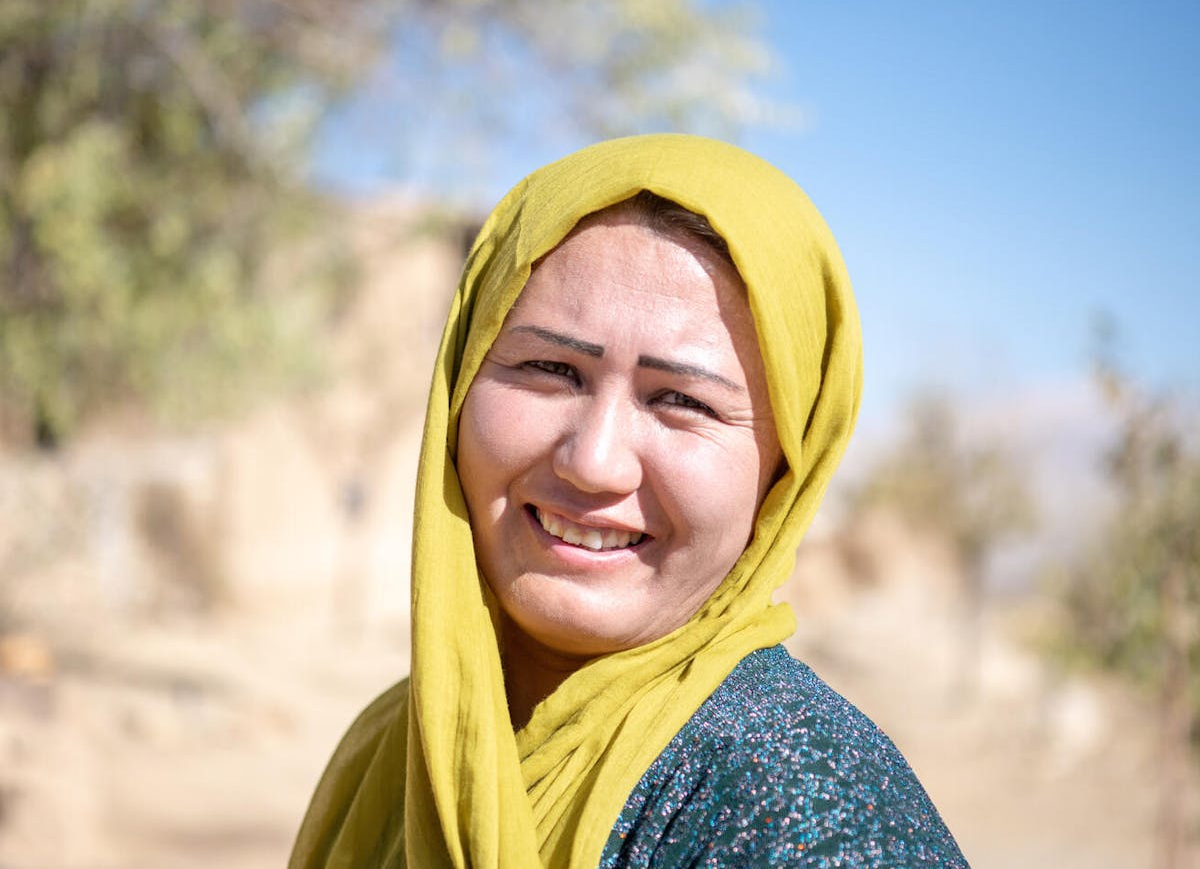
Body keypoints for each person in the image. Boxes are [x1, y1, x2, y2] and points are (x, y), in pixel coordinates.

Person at [290, 134, 967, 867]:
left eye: (682, 400)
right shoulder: (392, 751)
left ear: (785, 470)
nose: (593, 463)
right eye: (550, 369)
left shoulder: (807, 808)